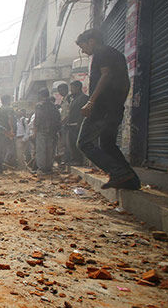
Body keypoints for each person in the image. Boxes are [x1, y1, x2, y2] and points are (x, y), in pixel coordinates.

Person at [75, 29, 140, 189]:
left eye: (83, 46)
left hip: (102, 109)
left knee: (83, 142)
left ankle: (118, 171)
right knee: (107, 144)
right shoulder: (115, 54)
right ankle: (131, 181)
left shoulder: (102, 52)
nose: (83, 51)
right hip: (114, 107)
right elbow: (124, 83)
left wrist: (91, 102)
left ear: (92, 41)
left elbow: (106, 75)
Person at [33, 88, 61, 175]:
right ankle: (49, 168)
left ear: (41, 95)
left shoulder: (39, 105)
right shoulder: (54, 106)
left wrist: (35, 131)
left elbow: (37, 119)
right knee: (50, 150)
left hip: (42, 130)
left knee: (41, 150)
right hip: (52, 132)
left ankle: (42, 169)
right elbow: (58, 119)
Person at [65, 81, 88, 166]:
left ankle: (79, 160)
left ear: (78, 87)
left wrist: (80, 122)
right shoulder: (73, 99)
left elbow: (83, 112)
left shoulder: (84, 98)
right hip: (71, 125)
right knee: (71, 144)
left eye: (72, 88)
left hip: (77, 124)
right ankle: (75, 159)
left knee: (76, 143)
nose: (71, 90)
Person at [0, 95, 16, 173]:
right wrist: (12, 131)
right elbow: (10, 119)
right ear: (8, 100)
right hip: (6, 132)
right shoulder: (9, 109)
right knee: (8, 150)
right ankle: (3, 165)